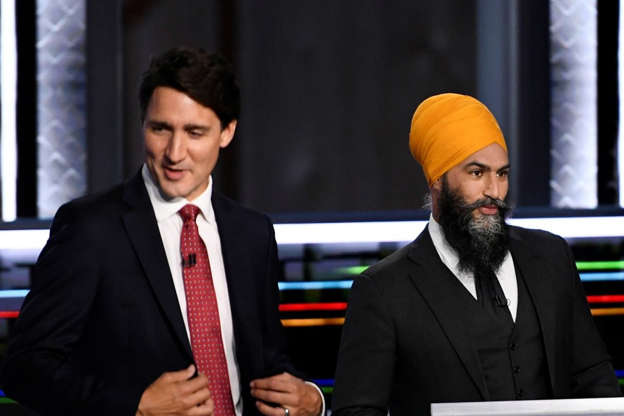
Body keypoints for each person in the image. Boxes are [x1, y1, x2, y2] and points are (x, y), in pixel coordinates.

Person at [0, 47, 323, 416]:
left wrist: (313, 399)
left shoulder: (253, 233)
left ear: (227, 132)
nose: (174, 152)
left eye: (194, 132)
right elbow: (24, 367)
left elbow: (270, 365)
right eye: (160, 129)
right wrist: (136, 406)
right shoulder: (90, 229)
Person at [332, 93, 621, 415]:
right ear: (437, 179)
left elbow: (592, 375)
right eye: (476, 173)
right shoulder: (383, 290)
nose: (494, 191)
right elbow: (357, 411)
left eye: (502, 174)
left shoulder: (551, 256)